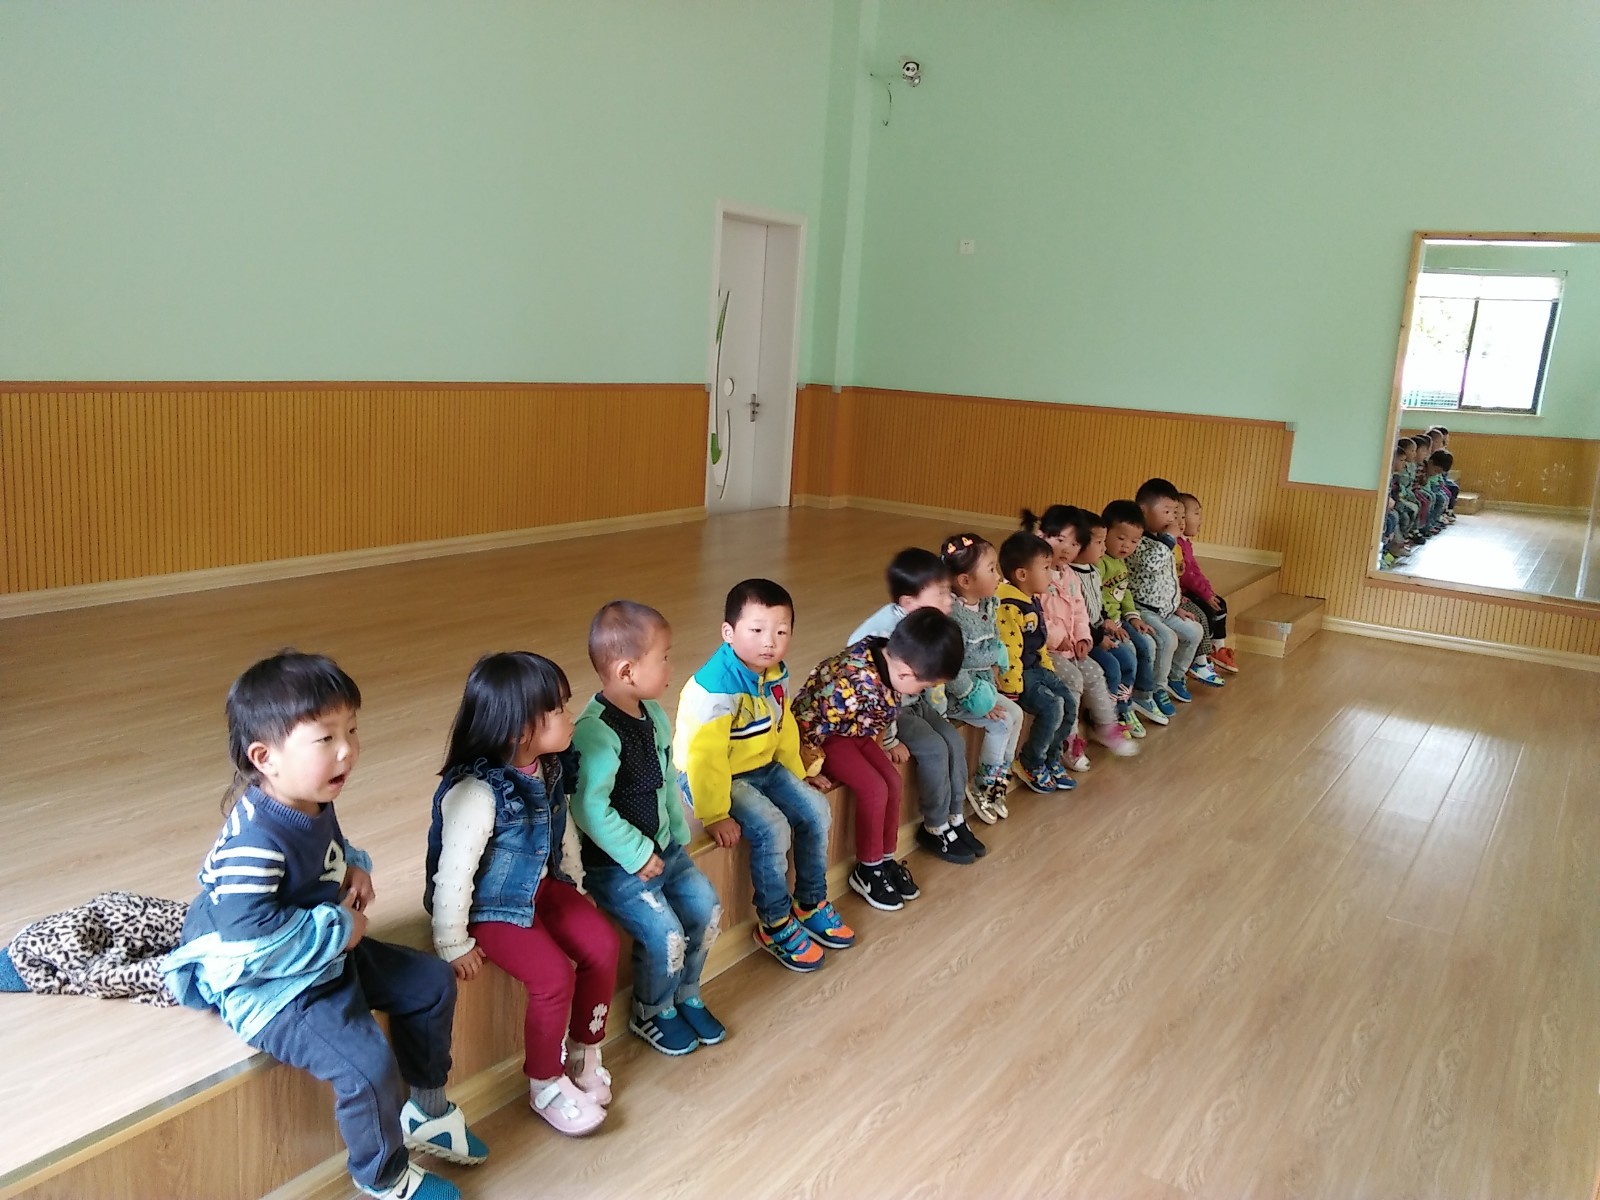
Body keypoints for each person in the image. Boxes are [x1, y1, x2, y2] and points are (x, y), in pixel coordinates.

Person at [163, 652, 484, 1200]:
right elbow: (250, 941)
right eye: (326, 738)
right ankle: (382, 1175)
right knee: (367, 1068)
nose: (347, 749)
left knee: (432, 983)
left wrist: (353, 865)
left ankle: (426, 1112)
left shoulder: (310, 797)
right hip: (272, 986)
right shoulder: (253, 843)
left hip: (323, 949)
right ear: (265, 758)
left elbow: (328, 850)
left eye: (351, 730)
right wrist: (339, 927)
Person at [426, 652, 618, 1137]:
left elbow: (562, 832)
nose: (569, 717)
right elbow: (453, 873)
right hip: (491, 905)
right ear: (517, 729)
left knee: (602, 944)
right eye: (556, 710)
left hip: (543, 884)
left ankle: (584, 1050)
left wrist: (575, 885)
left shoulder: (548, 766)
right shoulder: (478, 792)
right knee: (553, 977)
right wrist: (452, 941)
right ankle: (545, 1083)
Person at [569, 601, 726, 1058]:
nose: (671, 667)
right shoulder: (595, 732)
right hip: (618, 867)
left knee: (707, 909)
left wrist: (677, 832)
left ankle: (686, 993)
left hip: (664, 849)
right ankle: (652, 1010)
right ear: (627, 671)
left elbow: (665, 777)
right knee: (666, 935)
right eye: (664, 658)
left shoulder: (652, 713)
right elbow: (589, 808)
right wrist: (637, 853)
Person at [675, 579, 856, 972]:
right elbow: (705, 759)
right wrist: (714, 813)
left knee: (817, 810)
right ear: (728, 632)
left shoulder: (774, 673)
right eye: (756, 630)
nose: (769, 642)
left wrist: (797, 774)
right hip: (717, 777)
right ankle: (773, 922)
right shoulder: (715, 690)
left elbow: (782, 727)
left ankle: (810, 902)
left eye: (781, 632)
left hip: (761, 764)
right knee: (773, 828)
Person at [793, 607, 964, 910]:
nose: (923, 691)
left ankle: (885, 859)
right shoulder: (853, 679)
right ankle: (868, 868)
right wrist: (806, 767)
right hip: (828, 738)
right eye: (924, 686)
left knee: (893, 782)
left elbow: (882, 716)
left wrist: (883, 744)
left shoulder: (892, 665)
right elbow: (806, 722)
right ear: (906, 673)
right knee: (874, 788)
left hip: (856, 732)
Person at [846, 548, 987, 864]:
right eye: (941, 594)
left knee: (953, 741)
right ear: (908, 602)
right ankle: (935, 826)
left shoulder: (925, 623)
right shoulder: (884, 635)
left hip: (915, 699)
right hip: (891, 710)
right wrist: (890, 740)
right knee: (934, 749)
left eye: (949, 592)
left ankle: (954, 817)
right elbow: (879, 695)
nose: (950, 601)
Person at [1021, 505, 1138, 760]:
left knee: (1095, 672)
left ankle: (1107, 726)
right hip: (1045, 651)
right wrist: (1058, 638)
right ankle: (1069, 739)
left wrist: (1083, 637)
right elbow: (1034, 614)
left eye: (1074, 543)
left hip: (1070, 647)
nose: (1067, 549)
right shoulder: (1035, 573)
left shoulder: (1069, 575)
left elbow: (1079, 611)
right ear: (1042, 535)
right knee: (1073, 679)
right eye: (1060, 539)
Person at [941, 533, 1025, 822]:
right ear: (965, 581)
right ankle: (983, 785)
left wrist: (997, 665)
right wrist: (977, 701)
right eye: (991, 569)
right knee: (1001, 723)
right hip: (960, 695)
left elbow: (995, 640)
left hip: (984, 687)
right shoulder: (953, 616)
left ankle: (999, 777)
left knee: (1016, 714)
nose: (998, 575)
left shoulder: (988, 603)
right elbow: (950, 669)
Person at [994, 531, 1079, 793]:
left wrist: (1048, 668)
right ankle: (1030, 762)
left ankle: (1052, 758)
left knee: (1069, 702)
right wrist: (1011, 687)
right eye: (1045, 568)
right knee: (1052, 706)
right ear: (1022, 574)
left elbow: (1038, 640)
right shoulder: (1009, 605)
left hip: (1037, 668)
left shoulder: (1030, 598)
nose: (1050, 575)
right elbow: (1009, 649)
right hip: (1020, 676)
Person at [1126, 479, 1214, 696]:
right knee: (1168, 639)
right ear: (1144, 510)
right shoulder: (1138, 539)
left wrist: (1175, 606)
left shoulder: (1164, 541)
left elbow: (1170, 578)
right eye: (1167, 512)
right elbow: (1151, 564)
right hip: (1144, 609)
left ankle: (1176, 677)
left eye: (1175, 513)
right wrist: (1168, 539)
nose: (1172, 518)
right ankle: (1157, 687)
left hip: (1166, 609)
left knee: (1195, 631)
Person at [1099, 501, 1170, 728]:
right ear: (1105, 532)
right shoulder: (1100, 563)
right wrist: (1106, 621)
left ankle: (1143, 696)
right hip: (1105, 624)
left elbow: (1124, 591)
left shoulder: (1120, 562)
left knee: (1147, 644)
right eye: (1121, 538)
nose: (1126, 546)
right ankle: (1123, 706)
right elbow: (1093, 595)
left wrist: (1133, 617)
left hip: (1120, 620)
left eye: (1134, 541)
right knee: (1129, 651)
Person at [1174, 492, 1238, 675]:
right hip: (1181, 592)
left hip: (1188, 590)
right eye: (1196, 514)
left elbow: (1196, 571)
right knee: (1206, 613)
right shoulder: (1176, 544)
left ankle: (1218, 649)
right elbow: (1187, 576)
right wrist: (1205, 594)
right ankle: (1199, 658)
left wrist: (1208, 591)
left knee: (1219, 605)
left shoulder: (1186, 543)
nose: (1200, 519)